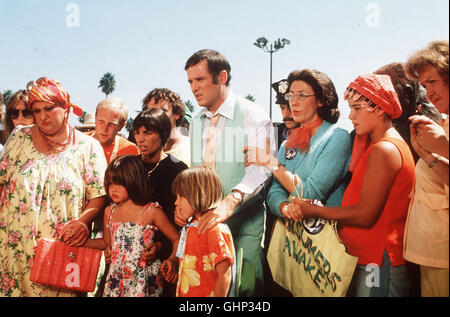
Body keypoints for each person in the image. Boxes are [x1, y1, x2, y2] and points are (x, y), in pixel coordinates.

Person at [290, 74, 415, 297]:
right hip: (371, 258)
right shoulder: (381, 146)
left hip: (377, 260)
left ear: (378, 107)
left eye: (357, 108)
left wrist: (313, 210)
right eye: (350, 108)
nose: (351, 115)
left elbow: (365, 215)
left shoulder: (384, 149)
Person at [0, 77, 106, 297]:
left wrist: (83, 222)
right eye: (36, 111)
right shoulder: (19, 138)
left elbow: (99, 195)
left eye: (49, 108)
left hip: (60, 254)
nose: (42, 116)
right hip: (13, 252)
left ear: (65, 109)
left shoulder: (88, 147)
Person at [184, 49, 275, 296]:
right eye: (190, 81)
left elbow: (263, 169)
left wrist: (232, 199)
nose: (194, 87)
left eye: (200, 79)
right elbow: (196, 172)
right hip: (206, 226)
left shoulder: (252, 114)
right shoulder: (195, 121)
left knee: (246, 289)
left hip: (245, 224)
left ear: (221, 77)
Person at [83, 155, 179, 297]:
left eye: (119, 184)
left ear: (133, 180)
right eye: (110, 184)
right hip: (116, 279)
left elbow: (177, 239)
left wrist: (172, 260)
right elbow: (105, 243)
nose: (113, 189)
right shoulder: (109, 211)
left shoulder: (151, 211)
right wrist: (82, 242)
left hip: (144, 281)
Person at [403, 40, 449, 297]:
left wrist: (442, 147)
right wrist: (425, 153)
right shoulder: (443, 122)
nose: (428, 92)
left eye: (433, 81)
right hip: (432, 250)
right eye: (424, 86)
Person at [133, 108, 188, 296]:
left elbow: (181, 219)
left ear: (163, 134)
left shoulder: (178, 170)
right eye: (137, 132)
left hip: (165, 256)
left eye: (147, 133)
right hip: (128, 252)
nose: (140, 138)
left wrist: (160, 246)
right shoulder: (129, 166)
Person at [172, 166, 234, 297]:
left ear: (198, 194)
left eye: (181, 196)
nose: (176, 202)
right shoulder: (189, 227)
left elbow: (225, 274)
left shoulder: (214, 229)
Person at [142, 88, 191, 166]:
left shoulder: (193, 149)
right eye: (151, 111)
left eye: (163, 110)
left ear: (176, 114)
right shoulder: (142, 151)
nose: (156, 116)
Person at [88, 97, 139, 164]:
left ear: (122, 126)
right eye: (101, 121)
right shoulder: (78, 141)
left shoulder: (129, 150)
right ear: (95, 118)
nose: (105, 128)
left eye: (111, 124)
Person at [271, 79, 300, 149]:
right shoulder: (273, 134)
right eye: (282, 108)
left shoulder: (314, 135)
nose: (286, 114)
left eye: (290, 107)